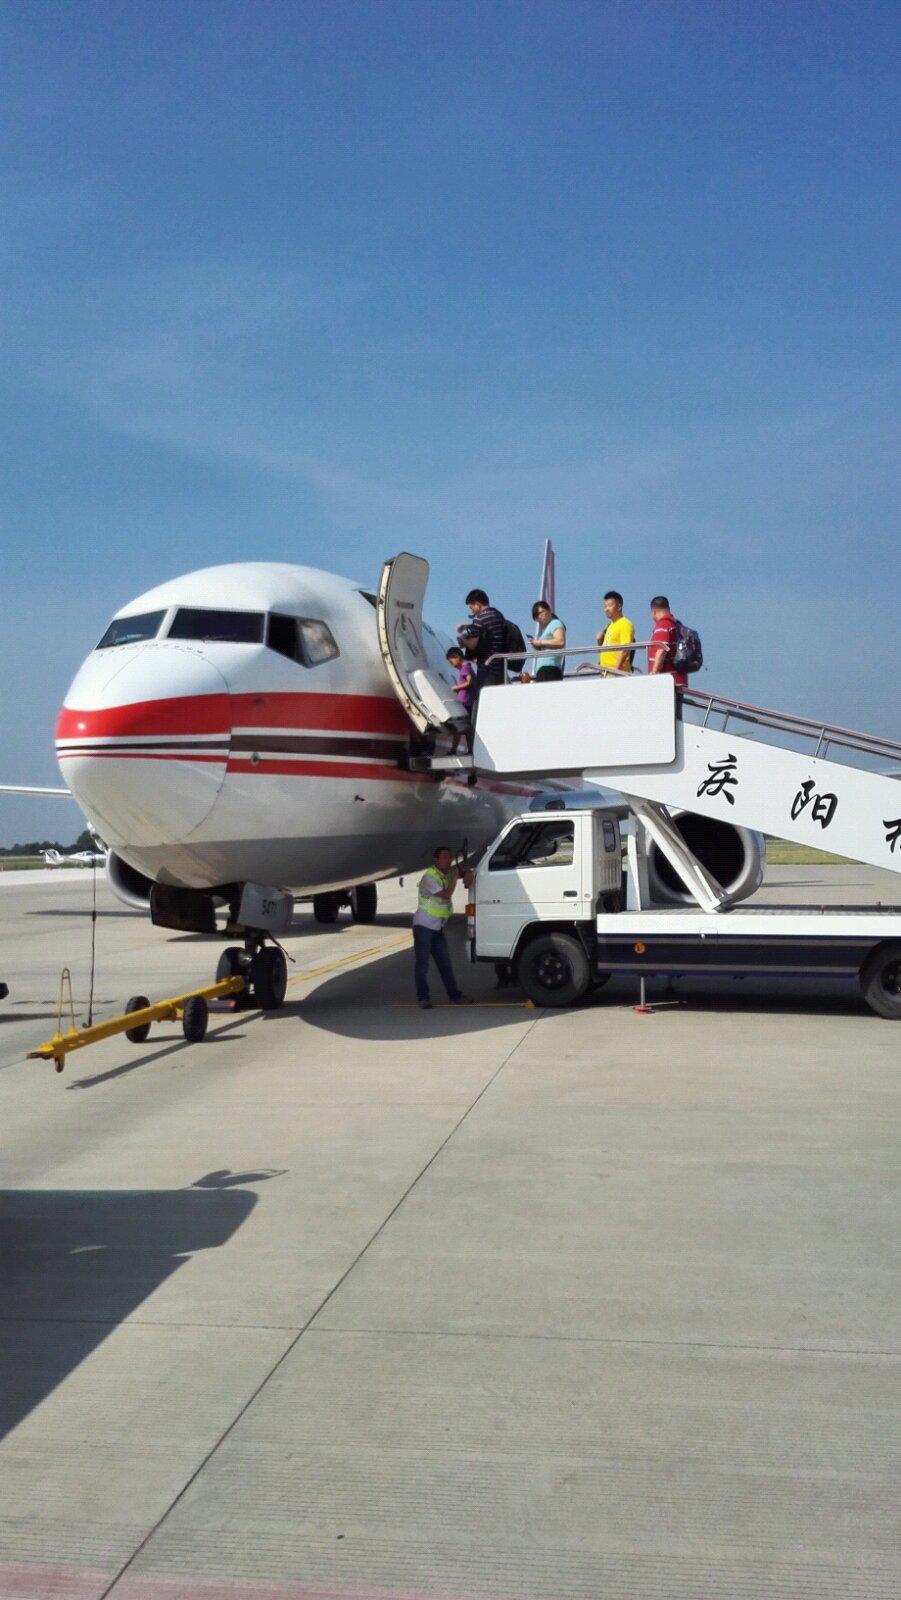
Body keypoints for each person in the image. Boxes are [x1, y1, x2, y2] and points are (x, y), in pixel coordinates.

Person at [412, 846, 472, 1009]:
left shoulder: (447, 873)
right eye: (444, 857)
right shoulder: (429, 877)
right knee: (422, 964)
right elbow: (446, 894)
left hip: (437, 928)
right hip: (423, 926)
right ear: (436, 860)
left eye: (449, 857)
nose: (448, 860)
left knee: (445, 963)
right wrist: (454, 878)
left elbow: (464, 872)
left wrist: (467, 873)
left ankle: (455, 996)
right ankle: (423, 997)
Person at [456, 589, 506, 698]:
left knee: (481, 703)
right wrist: (468, 626)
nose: (472, 611)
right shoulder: (498, 615)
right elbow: (489, 634)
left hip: (487, 669)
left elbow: (473, 644)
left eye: (471, 607)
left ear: (477, 604)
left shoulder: (479, 618)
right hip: (501, 669)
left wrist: (462, 640)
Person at [648, 595, 687, 688]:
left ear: (653, 611)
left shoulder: (663, 624)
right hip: (678, 679)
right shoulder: (676, 625)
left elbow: (661, 650)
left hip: (667, 682)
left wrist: (653, 673)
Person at [524, 599, 565, 681]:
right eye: (536, 616)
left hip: (550, 668)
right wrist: (538, 646)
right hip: (543, 670)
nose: (539, 617)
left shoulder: (555, 623)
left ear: (549, 610)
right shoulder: (542, 631)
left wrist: (539, 643)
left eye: (541, 612)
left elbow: (560, 641)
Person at [596, 590, 636, 675]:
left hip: (617, 673)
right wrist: (599, 641)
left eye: (610, 605)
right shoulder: (608, 626)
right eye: (605, 606)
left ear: (619, 607)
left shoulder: (625, 624)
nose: (606, 609)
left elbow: (625, 649)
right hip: (605, 672)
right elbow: (604, 649)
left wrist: (615, 671)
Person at [446, 645, 474, 752]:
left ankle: (461, 750)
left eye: (451, 661)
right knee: (460, 728)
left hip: (465, 703)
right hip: (465, 701)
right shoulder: (466, 667)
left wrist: (456, 687)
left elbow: (469, 681)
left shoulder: (465, 667)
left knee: (460, 728)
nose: (452, 665)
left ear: (457, 656)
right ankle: (456, 749)